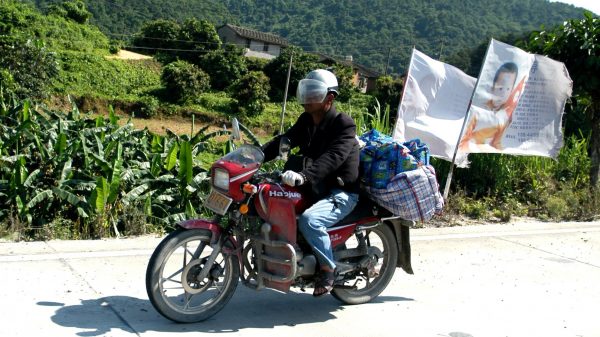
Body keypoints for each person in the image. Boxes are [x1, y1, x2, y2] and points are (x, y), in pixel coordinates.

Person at [261, 69, 360, 297]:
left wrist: (304, 176)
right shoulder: (306, 120)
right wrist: (255, 157)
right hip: (315, 188)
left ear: (330, 98)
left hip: (340, 190)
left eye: (314, 93)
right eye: (306, 92)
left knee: (310, 221)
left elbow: (333, 157)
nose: (308, 98)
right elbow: (285, 141)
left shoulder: (343, 124)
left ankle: (327, 269)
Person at [459, 62, 521, 151]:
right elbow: (463, 140)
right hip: (469, 148)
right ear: (492, 87)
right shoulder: (478, 109)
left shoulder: (505, 116)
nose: (503, 93)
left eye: (508, 89)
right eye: (500, 88)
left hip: (485, 152)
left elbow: (498, 144)